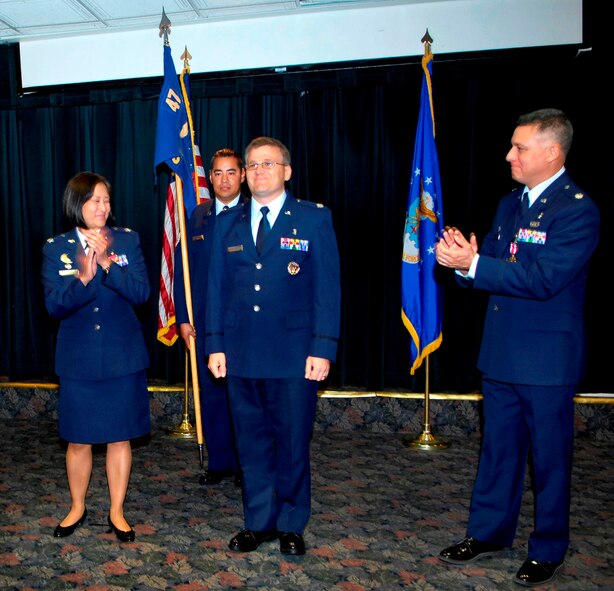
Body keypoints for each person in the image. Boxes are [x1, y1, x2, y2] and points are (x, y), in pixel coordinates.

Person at [435, 109, 600, 586]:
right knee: (499, 451)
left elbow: (544, 279)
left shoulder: (577, 210)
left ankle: (549, 547)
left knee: (549, 458)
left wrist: (476, 263)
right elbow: (489, 267)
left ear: (552, 152)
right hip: (502, 352)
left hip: (547, 361)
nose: (509, 155)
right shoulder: (510, 203)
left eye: (519, 148)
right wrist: (461, 264)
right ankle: (488, 533)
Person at [205, 136, 341, 556]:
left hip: (294, 353)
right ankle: (258, 521)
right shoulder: (227, 221)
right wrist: (214, 344)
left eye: (269, 164)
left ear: (287, 171)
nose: (259, 171)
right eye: (253, 165)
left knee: (293, 440)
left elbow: (327, 289)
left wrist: (323, 347)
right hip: (241, 351)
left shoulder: (313, 219)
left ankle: (291, 522)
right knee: (251, 441)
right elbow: (216, 288)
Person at [42, 171, 151, 543]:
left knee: (120, 438)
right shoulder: (56, 247)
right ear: (77, 205)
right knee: (79, 439)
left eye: (106, 200)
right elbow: (54, 306)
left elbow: (141, 293)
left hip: (122, 357)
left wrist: (107, 264)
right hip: (79, 360)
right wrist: (84, 279)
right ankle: (77, 506)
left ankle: (117, 511)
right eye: (93, 201)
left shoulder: (127, 241)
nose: (102, 207)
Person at [174, 148, 247, 486]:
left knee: (244, 397)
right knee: (212, 395)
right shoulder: (197, 217)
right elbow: (182, 272)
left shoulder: (254, 215)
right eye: (217, 173)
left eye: (231, 172)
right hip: (204, 322)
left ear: (242, 176)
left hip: (245, 323)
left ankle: (247, 465)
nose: (224, 179)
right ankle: (219, 462)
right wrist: (184, 317)